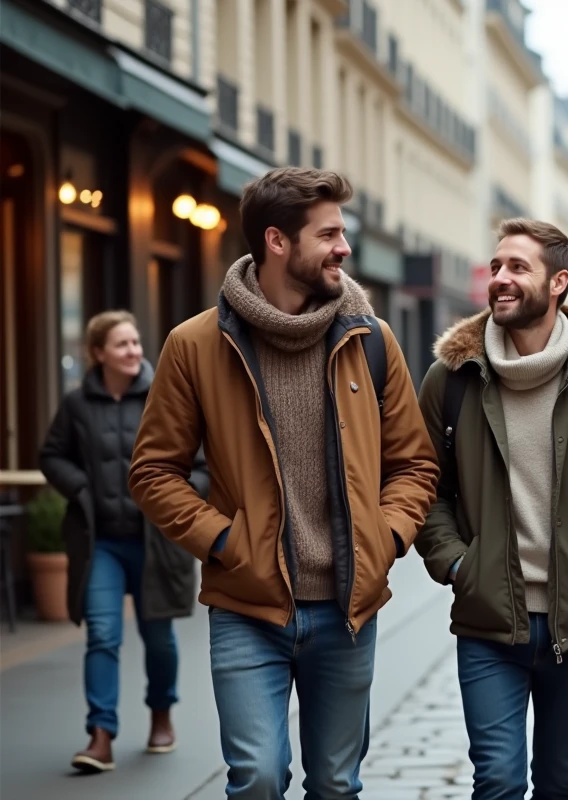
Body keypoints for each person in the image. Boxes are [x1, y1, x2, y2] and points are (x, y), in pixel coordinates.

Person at [128, 167, 439, 798]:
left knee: (334, 782)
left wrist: (386, 537)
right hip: (247, 607)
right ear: (277, 242)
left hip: (348, 610)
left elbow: (415, 464)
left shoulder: (372, 341)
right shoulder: (195, 345)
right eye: (328, 234)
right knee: (257, 778)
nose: (344, 248)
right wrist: (224, 542)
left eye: (342, 232)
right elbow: (154, 471)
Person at [414, 218, 568, 799]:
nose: (501, 278)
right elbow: (422, 485)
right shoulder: (452, 379)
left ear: (559, 282)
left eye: (518, 267)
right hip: (488, 621)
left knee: (561, 782)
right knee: (496, 779)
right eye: (496, 267)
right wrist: (456, 564)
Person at [39, 311, 208, 774]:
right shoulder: (77, 405)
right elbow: (51, 455)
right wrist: (81, 487)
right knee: (103, 635)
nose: (134, 351)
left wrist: (182, 499)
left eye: (136, 342)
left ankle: (160, 715)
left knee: (158, 638)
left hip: (156, 541)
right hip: (102, 545)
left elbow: (202, 462)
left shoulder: (166, 393)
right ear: (98, 354)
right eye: (122, 345)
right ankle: (100, 735)